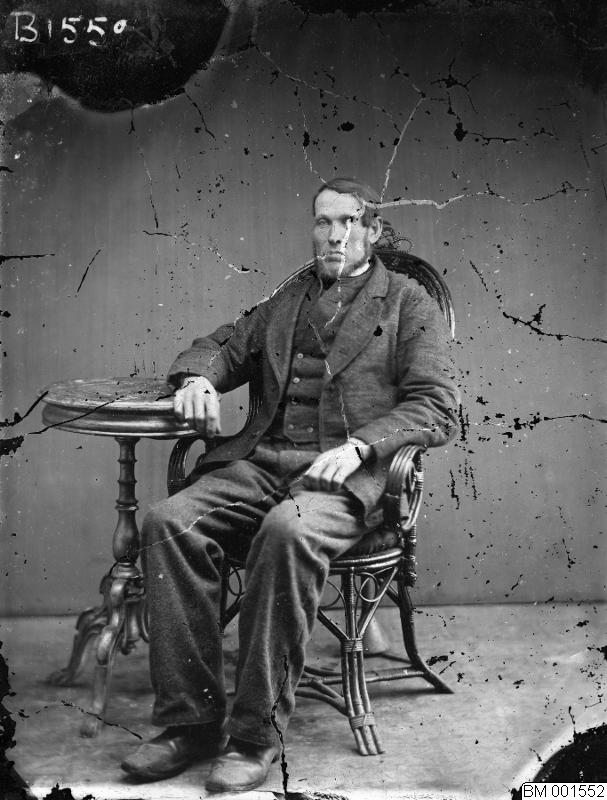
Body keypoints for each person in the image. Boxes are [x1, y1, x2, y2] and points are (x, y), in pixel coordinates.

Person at [121, 177, 460, 792]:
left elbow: (436, 406)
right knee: (167, 523)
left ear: (373, 231)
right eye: (323, 222)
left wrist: (361, 446)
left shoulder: (408, 303)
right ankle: (188, 724)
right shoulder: (288, 300)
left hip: (348, 483)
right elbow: (221, 346)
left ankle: (255, 736)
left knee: (285, 532)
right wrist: (197, 380)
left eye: (349, 222)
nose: (335, 235)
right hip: (262, 466)